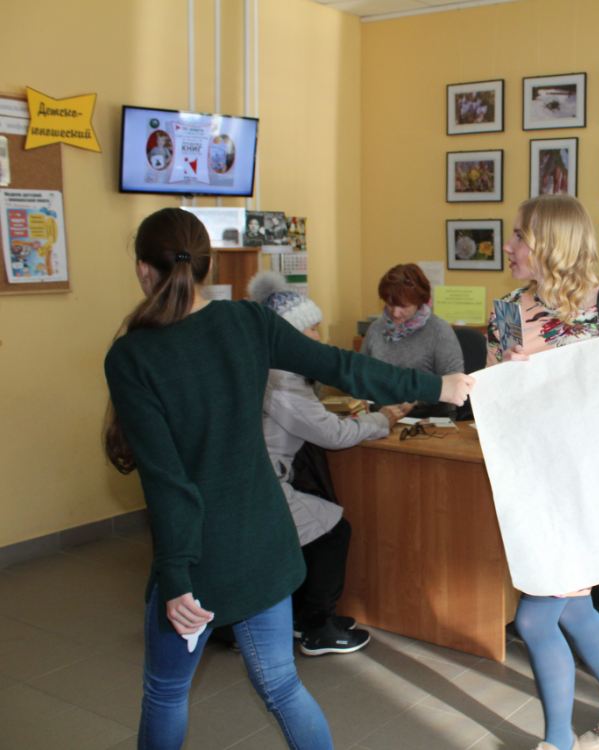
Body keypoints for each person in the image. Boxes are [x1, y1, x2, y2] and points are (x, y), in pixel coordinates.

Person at [103, 207, 472, 749]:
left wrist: (176, 575)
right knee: (281, 685)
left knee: (165, 693)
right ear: (206, 265)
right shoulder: (247, 322)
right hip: (266, 540)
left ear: (142, 270)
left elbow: (168, 481)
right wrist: (437, 386)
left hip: (203, 556)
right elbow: (343, 366)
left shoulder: (131, 356)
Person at [486, 195, 599, 750]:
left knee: (536, 620)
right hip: (537, 486)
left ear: (552, 243)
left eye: (519, 236)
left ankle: (559, 741)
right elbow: (493, 409)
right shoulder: (506, 311)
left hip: (591, 489)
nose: (508, 246)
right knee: (575, 611)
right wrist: (505, 384)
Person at [247, 270, 413, 656]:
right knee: (332, 531)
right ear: (289, 336)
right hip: (265, 487)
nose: (319, 338)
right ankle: (317, 627)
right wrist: (383, 420)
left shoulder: (267, 368)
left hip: (261, 479)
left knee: (315, 531)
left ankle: (302, 617)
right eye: (311, 330)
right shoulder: (282, 381)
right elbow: (333, 434)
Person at [360, 263, 464, 418]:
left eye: (403, 306)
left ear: (419, 301)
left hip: (427, 418)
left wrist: (417, 399)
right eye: (390, 304)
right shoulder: (376, 329)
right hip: (381, 416)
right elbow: (360, 372)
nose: (395, 313)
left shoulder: (439, 331)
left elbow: (455, 383)